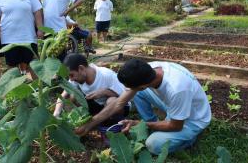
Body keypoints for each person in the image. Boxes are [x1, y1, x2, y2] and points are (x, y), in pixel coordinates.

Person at [76, 59, 212, 155]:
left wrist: (141, 124)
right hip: (175, 106)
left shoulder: (177, 88)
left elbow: (176, 125)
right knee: (136, 95)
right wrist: (89, 125)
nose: (128, 90)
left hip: (192, 119)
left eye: (131, 87)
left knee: (153, 145)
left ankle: (189, 138)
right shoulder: (148, 70)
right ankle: (154, 125)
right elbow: (118, 103)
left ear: (142, 86)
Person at [53, 53, 129, 128]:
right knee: (73, 96)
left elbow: (126, 97)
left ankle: (113, 125)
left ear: (81, 68)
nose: (71, 79)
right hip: (98, 105)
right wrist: (56, 113)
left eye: (72, 75)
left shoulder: (106, 75)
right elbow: (63, 95)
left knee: (111, 100)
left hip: (117, 107)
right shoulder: (75, 78)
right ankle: (90, 120)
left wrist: (105, 92)